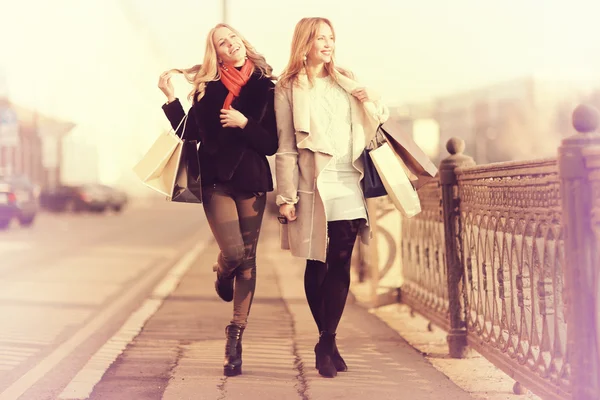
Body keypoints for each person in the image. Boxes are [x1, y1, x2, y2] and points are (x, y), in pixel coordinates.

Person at [157, 23, 278, 377]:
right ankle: (222, 274)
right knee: (235, 254)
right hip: (216, 182)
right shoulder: (206, 91)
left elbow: (270, 143)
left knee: (250, 261)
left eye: (234, 39)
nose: (231, 45)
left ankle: (235, 336)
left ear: (244, 43)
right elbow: (188, 134)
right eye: (223, 43)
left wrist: (244, 123)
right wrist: (170, 99)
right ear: (217, 53)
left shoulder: (266, 87)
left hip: (252, 181)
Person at [274, 17, 389, 378]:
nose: (328, 44)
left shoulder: (345, 78)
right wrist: (286, 196)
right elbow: (286, 147)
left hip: (349, 178)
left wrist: (371, 99)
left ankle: (326, 341)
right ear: (304, 43)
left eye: (331, 38)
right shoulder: (288, 87)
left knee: (341, 258)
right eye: (320, 38)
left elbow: (376, 121)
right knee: (317, 261)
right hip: (314, 183)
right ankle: (328, 342)